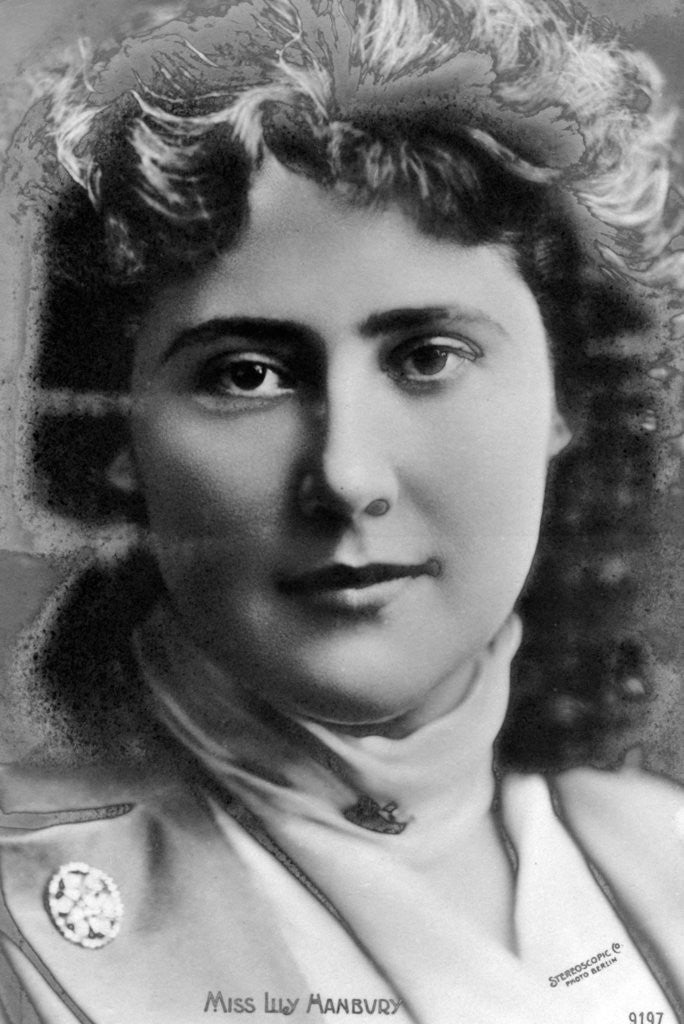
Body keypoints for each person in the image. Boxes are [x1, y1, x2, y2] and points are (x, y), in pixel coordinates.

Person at [0, 0, 682, 1021]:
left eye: (429, 357)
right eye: (245, 374)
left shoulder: (659, 854)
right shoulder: (29, 914)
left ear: (567, 399)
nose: (348, 473)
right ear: (117, 434)